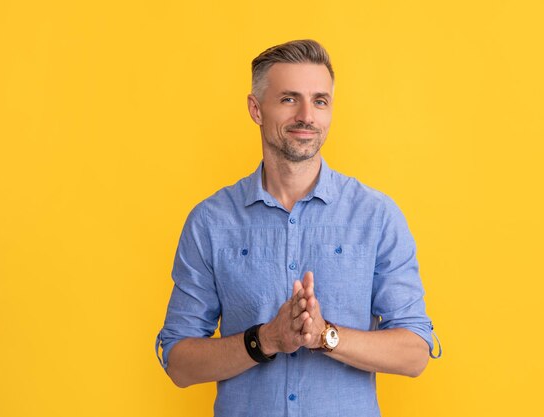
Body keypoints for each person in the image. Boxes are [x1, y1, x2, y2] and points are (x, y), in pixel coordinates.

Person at [155, 39, 441, 417]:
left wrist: (325, 336)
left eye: (320, 101)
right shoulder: (210, 222)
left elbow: (415, 352)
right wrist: (267, 339)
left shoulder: (376, 217)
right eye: (289, 99)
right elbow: (178, 361)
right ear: (256, 109)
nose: (307, 115)